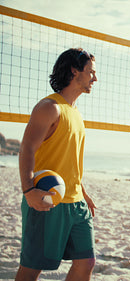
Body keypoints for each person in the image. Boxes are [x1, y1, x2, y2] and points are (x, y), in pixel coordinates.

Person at [16, 48, 98, 281]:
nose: (95, 78)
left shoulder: (76, 114)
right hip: (46, 198)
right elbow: (27, 149)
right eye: (91, 72)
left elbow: (71, 160)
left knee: (87, 262)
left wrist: (83, 193)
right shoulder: (49, 107)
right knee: (33, 268)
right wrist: (29, 190)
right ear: (75, 71)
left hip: (76, 202)